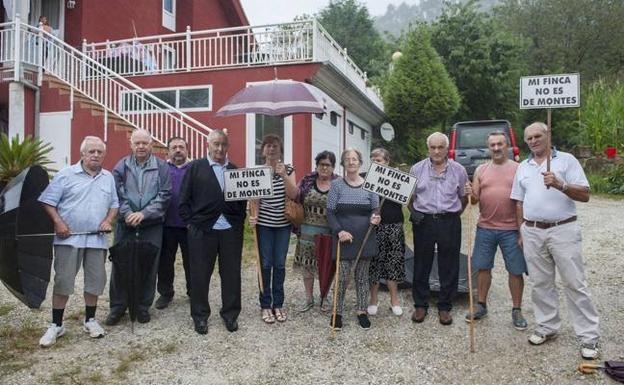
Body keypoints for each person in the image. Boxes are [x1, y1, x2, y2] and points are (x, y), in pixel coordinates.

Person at [510, 122, 600, 359]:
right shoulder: (524, 166)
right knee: (540, 283)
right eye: (528, 138)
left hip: (563, 229)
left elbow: (585, 194)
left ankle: (589, 336)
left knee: (574, 283)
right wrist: (521, 229)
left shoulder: (567, 160)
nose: (533, 141)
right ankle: (547, 326)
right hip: (532, 231)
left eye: (537, 136)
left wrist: (560, 184)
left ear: (548, 135)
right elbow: (518, 200)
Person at [38, 136, 118, 347]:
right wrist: (58, 223)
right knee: (63, 281)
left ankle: (90, 320)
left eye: (100, 152)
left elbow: (114, 204)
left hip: (96, 240)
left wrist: (108, 220)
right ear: (82, 154)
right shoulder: (66, 174)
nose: (95, 155)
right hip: (68, 239)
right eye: (91, 151)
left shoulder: (108, 177)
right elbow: (47, 201)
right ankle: (56, 325)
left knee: (95, 282)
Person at [179, 129, 247, 335]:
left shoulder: (235, 170)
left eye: (223, 144)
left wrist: (239, 221)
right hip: (202, 231)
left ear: (228, 147)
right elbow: (183, 201)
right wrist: (192, 224)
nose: (219, 148)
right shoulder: (195, 168)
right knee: (200, 275)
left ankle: (230, 314)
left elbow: (241, 202)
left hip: (230, 231)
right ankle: (200, 316)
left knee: (232, 274)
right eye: (216, 144)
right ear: (208, 145)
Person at [106, 129, 171, 325]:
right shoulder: (121, 166)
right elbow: (117, 193)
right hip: (126, 224)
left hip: (151, 224)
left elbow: (165, 195)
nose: (141, 146)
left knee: (149, 265)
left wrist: (144, 214)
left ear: (151, 145)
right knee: (120, 265)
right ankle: (118, 307)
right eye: (137, 143)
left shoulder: (161, 167)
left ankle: (142, 307)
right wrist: (128, 214)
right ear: (131, 144)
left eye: (145, 143)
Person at [464, 131, 528, 330]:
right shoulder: (481, 170)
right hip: (485, 227)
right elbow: (474, 200)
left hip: (512, 229)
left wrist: (523, 229)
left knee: (516, 270)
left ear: (507, 145)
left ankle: (516, 309)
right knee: (483, 268)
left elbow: (526, 198)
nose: (497, 148)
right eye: (493, 145)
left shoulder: (519, 168)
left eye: (500, 144)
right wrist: (469, 193)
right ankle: (481, 305)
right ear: (488, 147)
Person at [409, 132, 468, 326]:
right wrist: (415, 213)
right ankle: (420, 304)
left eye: (440, 147)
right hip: (424, 221)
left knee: (449, 263)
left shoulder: (459, 170)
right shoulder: (416, 169)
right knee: (421, 262)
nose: (436, 151)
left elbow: (464, 197)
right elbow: (409, 198)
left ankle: (444, 306)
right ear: (428, 148)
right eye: (433, 147)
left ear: (447, 148)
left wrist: (453, 215)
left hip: (449, 220)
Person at [327, 148, 380, 330]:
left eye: (354, 159)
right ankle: (337, 311)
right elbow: (331, 212)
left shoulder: (370, 185)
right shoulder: (336, 185)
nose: (351, 162)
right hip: (343, 239)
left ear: (360, 162)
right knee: (341, 277)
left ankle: (361, 311)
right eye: (347, 159)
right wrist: (339, 231)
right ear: (343, 163)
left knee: (362, 277)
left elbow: (375, 209)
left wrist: (375, 217)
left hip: (364, 238)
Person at [248, 135, 297, 324]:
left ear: (280, 149)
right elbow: (255, 199)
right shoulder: (258, 171)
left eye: (275, 146)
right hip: (264, 226)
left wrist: (284, 175)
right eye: (268, 146)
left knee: (280, 264)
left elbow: (294, 194)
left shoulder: (289, 168)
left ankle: (278, 304)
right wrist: (253, 216)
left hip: (283, 225)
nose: (271, 149)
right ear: (262, 151)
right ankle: (265, 305)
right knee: (265, 264)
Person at [293, 151, 338, 312]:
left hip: (328, 234)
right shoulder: (307, 180)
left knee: (326, 267)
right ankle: (308, 298)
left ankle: (324, 297)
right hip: (306, 232)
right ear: (317, 165)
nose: (324, 168)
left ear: (333, 167)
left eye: (328, 165)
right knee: (307, 267)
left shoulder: (338, 183)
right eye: (321, 164)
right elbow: (295, 195)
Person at [367, 148, 405, 317]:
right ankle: (373, 300)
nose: (375, 163)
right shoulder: (366, 178)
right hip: (374, 227)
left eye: (379, 160)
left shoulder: (397, 179)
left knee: (393, 262)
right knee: (374, 263)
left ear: (387, 162)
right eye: (373, 160)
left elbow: (409, 197)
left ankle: (394, 300)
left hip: (394, 225)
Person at [155, 137, 191, 310]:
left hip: (189, 226)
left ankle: (194, 292)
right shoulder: (161, 169)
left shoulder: (194, 168)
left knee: (192, 262)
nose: (178, 150)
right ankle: (165, 293)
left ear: (187, 150)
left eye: (181, 147)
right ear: (168, 151)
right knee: (165, 262)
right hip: (166, 224)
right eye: (174, 147)